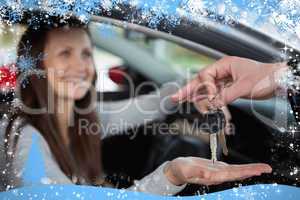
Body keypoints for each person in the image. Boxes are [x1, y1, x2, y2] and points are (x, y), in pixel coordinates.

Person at [0, 20, 272, 195]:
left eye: (85, 53)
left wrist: (195, 85)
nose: (80, 66)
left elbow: (149, 105)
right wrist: (171, 174)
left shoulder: (81, 117)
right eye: (64, 54)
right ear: (36, 68)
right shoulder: (25, 139)